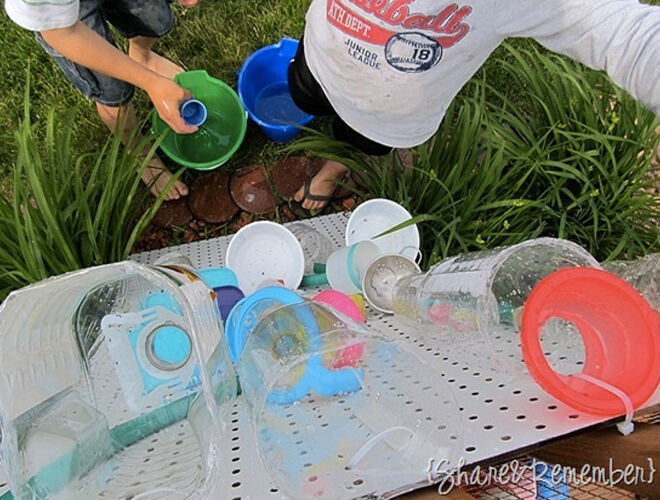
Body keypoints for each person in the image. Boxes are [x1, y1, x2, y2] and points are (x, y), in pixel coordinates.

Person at [289, 0, 660, 210]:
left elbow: (626, 36)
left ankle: (331, 171)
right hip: (321, 55)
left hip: (389, 113)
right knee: (304, 93)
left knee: (361, 140)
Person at [4, 0, 200, 200]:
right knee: (113, 90)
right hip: (65, 19)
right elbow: (63, 34)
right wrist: (152, 84)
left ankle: (142, 58)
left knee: (154, 18)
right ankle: (138, 151)